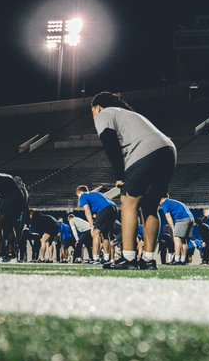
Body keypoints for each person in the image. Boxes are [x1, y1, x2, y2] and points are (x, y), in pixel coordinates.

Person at [91, 92, 177, 271]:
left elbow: (109, 142)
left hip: (145, 152)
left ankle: (128, 258)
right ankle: (148, 260)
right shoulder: (129, 114)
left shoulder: (104, 114)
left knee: (128, 201)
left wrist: (119, 175)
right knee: (150, 207)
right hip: (168, 150)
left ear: (97, 107)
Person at [78, 185, 118, 264]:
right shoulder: (94, 194)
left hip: (105, 209)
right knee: (105, 234)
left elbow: (87, 211)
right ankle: (106, 258)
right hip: (114, 208)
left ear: (80, 193)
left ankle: (95, 259)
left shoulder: (83, 196)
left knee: (95, 233)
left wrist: (91, 226)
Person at [160, 197, 194, 265]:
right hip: (190, 218)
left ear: (162, 198)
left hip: (182, 219)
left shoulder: (165, 204)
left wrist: (173, 228)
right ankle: (183, 260)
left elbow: (168, 217)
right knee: (184, 240)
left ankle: (176, 260)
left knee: (176, 238)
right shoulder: (172, 201)